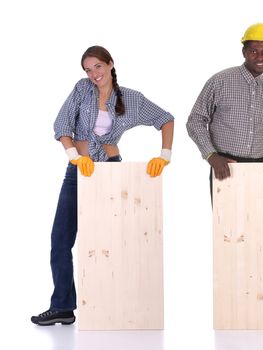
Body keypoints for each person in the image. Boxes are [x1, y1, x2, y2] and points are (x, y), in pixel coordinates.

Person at [31, 46, 174, 326]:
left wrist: (164, 155)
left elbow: (165, 119)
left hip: (111, 170)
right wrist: (74, 157)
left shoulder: (130, 98)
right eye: (87, 69)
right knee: (60, 239)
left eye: (97, 66)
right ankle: (62, 306)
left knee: (112, 241)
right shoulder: (82, 90)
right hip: (79, 171)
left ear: (110, 64)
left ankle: (118, 302)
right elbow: (61, 126)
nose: (93, 74)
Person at [186, 23, 263, 328]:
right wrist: (211, 155)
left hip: (261, 172)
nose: (260, 55)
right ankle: (235, 308)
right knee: (231, 240)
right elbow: (195, 121)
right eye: (254, 50)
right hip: (226, 171)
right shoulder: (220, 81)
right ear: (244, 51)